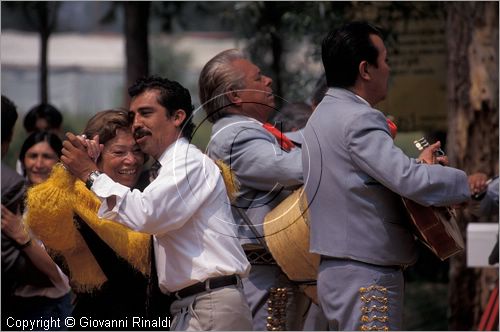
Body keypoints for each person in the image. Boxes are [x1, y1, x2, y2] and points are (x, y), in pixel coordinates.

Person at [301, 22, 471, 331]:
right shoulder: (359, 118)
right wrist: (465, 184)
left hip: (338, 271)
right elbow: (408, 180)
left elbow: (369, 178)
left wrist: (417, 167)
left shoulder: (322, 115)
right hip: (368, 277)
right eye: (386, 60)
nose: (389, 69)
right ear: (366, 69)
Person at [60, 76, 252, 331]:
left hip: (210, 303)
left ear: (177, 117)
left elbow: (144, 214)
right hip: (193, 304)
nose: (137, 123)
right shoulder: (169, 168)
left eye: (146, 113)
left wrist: (90, 174)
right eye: (134, 115)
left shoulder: (188, 162)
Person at [25, 109, 168, 329]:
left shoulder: (151, 192)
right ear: (95, 156)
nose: (131, 160)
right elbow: (41, 214)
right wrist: (70, 169)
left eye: (137, 151)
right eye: (119, 152)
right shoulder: (77, 199)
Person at [199, 49, 310, 330]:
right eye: (258, 77)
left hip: (269, 272)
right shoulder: (237, 136)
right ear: (235, 95)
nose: (268, 81)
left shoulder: (244, 130)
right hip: (262, 276)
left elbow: (291, 142)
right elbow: (293, 169)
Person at [1, 95, 72, 331]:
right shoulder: (15, 197)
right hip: (14, 305)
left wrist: (23, 238)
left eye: (47, 157)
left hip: (47, 309)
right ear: (22, 161)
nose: (38, 164)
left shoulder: (63, 205)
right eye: (32, 156)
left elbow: (60, 275)